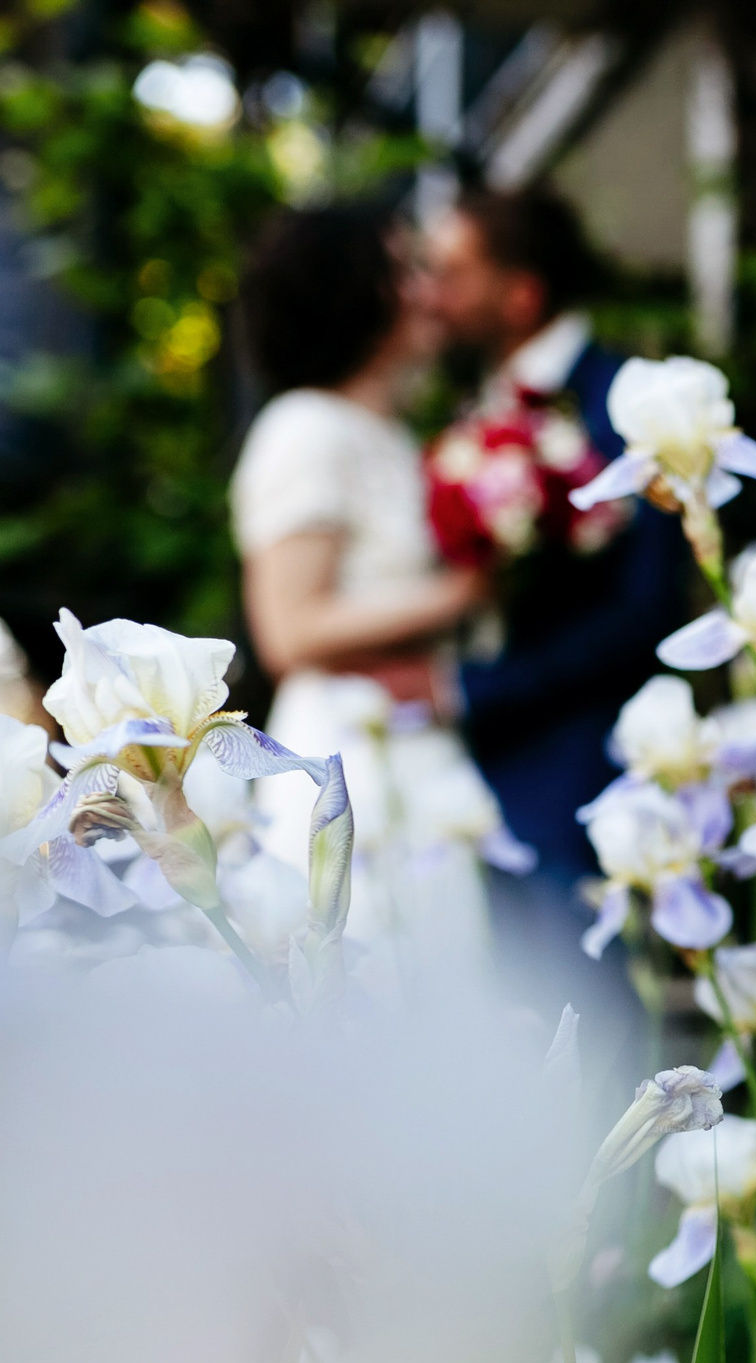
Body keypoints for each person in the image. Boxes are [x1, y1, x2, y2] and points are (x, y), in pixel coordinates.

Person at [230, 204, 515, 984]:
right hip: (347, 750)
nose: (427, 291)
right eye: (406, 271)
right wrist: (464, 593)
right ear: (353, 293)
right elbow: (289, 629)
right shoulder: (302, 430)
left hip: (423, 744)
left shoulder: (395, 436)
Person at [422, 188, 695, 882]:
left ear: (521, 294)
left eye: (452, 273)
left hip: (579, 766)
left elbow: (644, 611)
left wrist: (472, 689)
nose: (431, 294)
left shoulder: (627, 403)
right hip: (479, 765)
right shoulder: (479, 406)